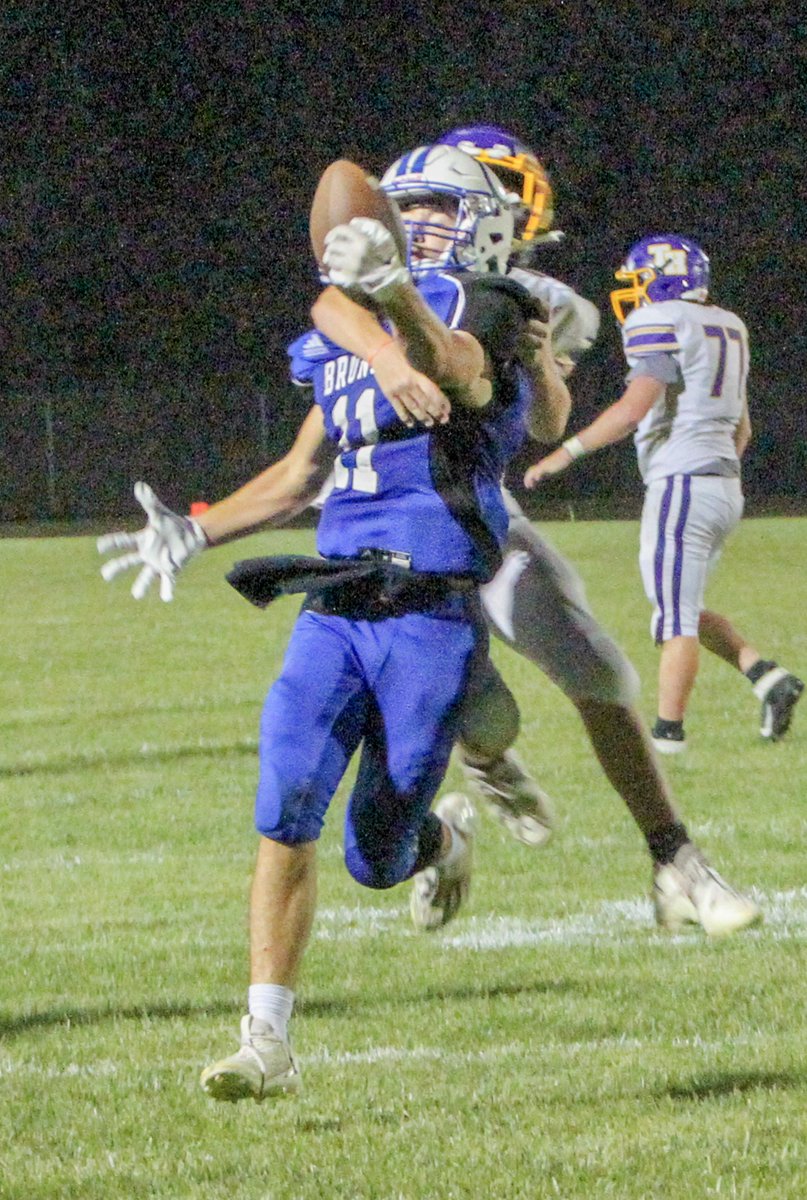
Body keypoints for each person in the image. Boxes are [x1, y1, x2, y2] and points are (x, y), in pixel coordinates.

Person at [99, 144, 545, 1102]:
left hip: (429, 613)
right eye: (404, 207)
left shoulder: (495, 303)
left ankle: (440, 839)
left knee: (374, 855)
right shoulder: (351, 325)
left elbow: (462, 375)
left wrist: (399, 316)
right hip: (336, 601)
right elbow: (305, 469)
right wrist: (199, 528)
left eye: (432, 209)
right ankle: (266, 1039)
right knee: (285, 801)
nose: (410, 224)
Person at [426, 129, 762, 937]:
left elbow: (537, 419)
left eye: (452, 202)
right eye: (425, 205)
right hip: (388, 528)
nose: (433, 221)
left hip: (480, 514)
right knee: (460, 715)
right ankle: (445, 821)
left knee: (600, 673)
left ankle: (675, 859)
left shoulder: (550, 304)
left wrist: (526, 359)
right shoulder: (381, 288)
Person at [525, 232, 803, 752]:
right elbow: (742, 429)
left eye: (640, 281)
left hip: (684, 482)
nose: (635, 294)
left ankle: (668, 736)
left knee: (674, 618)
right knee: (679, 606)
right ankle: (768, 677)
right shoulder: (729, 325)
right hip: (723, 484)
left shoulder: (660, 321)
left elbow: (633, 410)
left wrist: (565, 453)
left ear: (665, 278)